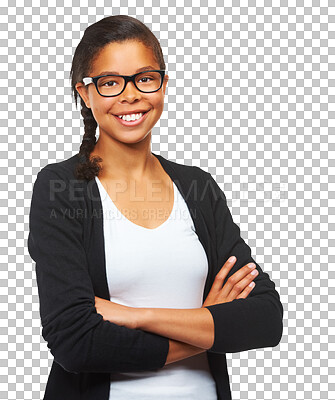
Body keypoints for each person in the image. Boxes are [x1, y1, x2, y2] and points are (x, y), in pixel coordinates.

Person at [27, 15, 283, 400]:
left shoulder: (197, 187)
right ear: (85, 92)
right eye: (110, 82)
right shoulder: (61, 189)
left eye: (144, 77)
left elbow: (265, 318)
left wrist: (135, 315)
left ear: (163, 83)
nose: (130, 95)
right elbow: (75, 342)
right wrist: (206, 325)